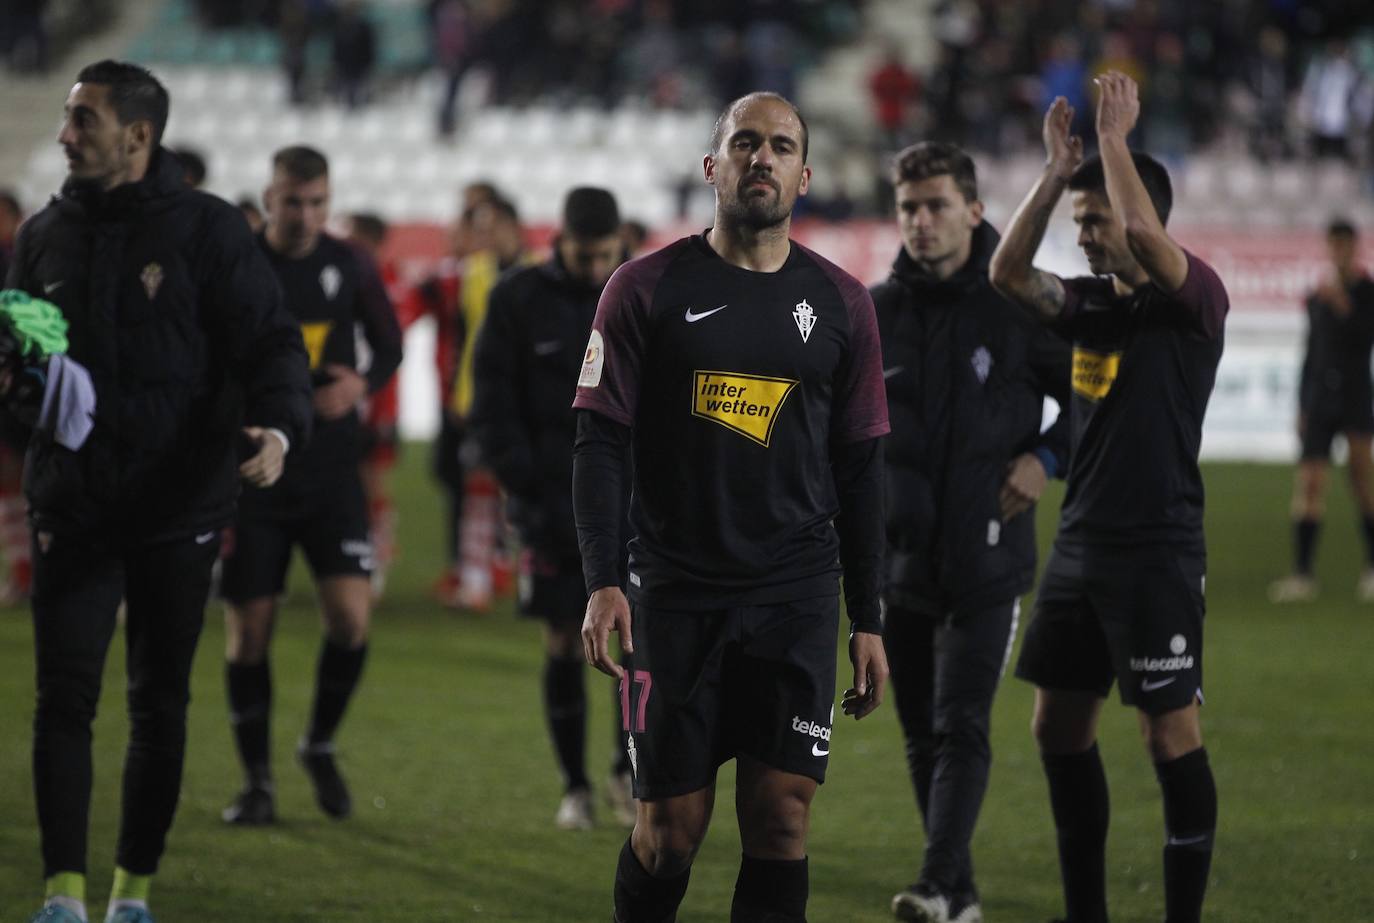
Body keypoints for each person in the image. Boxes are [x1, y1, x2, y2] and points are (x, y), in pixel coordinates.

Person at [574, 91, 891, 923]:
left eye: (781, 146)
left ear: (805, 174)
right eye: (744, 143)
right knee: (669, 830)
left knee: (782, 817)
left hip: (794, 593)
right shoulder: (643, 289)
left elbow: (862, 466)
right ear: (713, 166)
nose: (763, 158)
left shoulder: (843, 303)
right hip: (672, 595)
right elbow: (599, 442)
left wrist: (870, 615)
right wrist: (604, 580)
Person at [7, 60, 311, 923]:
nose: (66, 134)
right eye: (67, 117)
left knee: (157, 704)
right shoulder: (42, 237)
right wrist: (22, 390)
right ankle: (62, 896)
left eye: (84, 120)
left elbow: (274, 346)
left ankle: (131, 896)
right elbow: (26, 355)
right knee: (62, 701)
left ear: (138, 136)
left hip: (179, 507)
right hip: (72, 502)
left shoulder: (210, 233)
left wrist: (282, 430)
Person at [989, 73, 1228, 923]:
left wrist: (1114, 141)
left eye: (1094, 223)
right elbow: (1007, 269)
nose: (1085, 238)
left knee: (1168, 734)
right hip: (1080, 548)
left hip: (1158, 550)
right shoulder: (1088, 308)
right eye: (1080, 224)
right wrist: (1058, 175)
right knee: (1056, 729)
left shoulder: (1193, 302)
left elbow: (1138, 230)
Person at [873, 141, 1071, 923]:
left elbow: (1086, 404)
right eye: (908, 209)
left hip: (991, 556)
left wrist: (1046, 457)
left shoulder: (1019, 303)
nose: (920, 222)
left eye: (936, 206)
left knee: (960, 724)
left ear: (976, 211)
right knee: (922, 734)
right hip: (901, 564)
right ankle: (957, 892)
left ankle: (934, 882)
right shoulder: (877, 311)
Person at [219, 145, 403, 826]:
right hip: (253, 469)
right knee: (248, 636)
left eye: (317, 201)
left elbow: (387, 345)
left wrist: (361, 382)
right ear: (268, 197)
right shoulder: (239, 262)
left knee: (352, 619)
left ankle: (319, 741)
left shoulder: (349, 261)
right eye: (293, 200)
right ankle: (256, 781)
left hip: (330, 468)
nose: (305, 214)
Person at [470, 186, 636, 830]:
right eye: (586, 254)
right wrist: (523, 481)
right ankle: (575, 786)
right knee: (563, 639)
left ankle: (628, 775)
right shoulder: (517, 299)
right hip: (550, 503)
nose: (598, 268)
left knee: (635, 638)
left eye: (607, 255)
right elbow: (491, 400)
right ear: (559, 240)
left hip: (631, 503)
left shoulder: (642, 293)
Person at [1268, 219, 1374, 603]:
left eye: (1346, 245)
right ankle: (1302, 574)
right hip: (1320, 400)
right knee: (1310, 483)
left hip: (1356, 397)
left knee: (1363, 482)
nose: (1339, 252)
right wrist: (1301, 405)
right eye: (1334, 245)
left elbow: (1366, 337)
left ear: (1354, 248)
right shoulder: (1316, 297)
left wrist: (1343, 304)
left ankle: (1371, 569)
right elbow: (1310, 353)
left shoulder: (1365, 293)